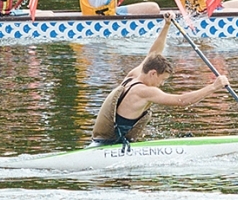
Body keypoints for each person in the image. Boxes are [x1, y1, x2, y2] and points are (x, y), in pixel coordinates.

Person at [90, 18, 230, 147]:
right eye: (162, 79)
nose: (161, 84)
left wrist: (167, 25)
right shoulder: (145, 91)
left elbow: (154, 52)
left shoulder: (133, 75)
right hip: (112, 144)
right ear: (153, 73)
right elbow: (181, 101)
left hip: (103, 141)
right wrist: (213, 87)